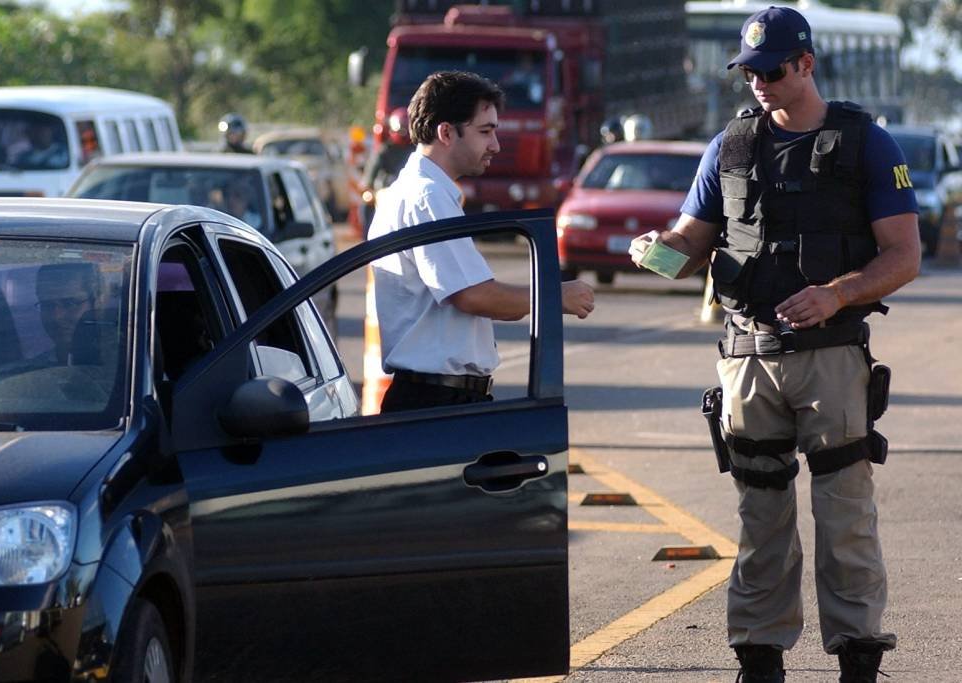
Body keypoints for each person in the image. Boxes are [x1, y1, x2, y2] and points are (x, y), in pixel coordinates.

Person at [628, 7, 919, 682]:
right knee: (760, 511)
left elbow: (903, 256)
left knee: (844, 511)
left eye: (772, 69)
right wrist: (655, 249)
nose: (758, 81)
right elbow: (691, 242)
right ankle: (759, 657)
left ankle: (857, 656)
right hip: (748, 358)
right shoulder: (729, 147)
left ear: (806, 64)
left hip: (832, 355)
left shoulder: (866, 143)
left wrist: (837, 293)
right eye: (749, 70)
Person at [368, 70, 595, 413]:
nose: (495, 145)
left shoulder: (427, 192)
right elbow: (474, 295)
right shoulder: (426, 197)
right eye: (485, 131)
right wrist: (555, 296)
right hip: (435, 402)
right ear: (446, 132)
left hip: (441, 399)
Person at [359, 107, 414, 231]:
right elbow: (369, 176)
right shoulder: (384, 151)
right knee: (366, 206)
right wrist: (369, 190)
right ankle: (367, 239)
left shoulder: (417, 151)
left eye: (406, 129)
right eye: (401, 129)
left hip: (410, 196)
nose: (403, 133)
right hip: (385, 194)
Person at [35, 263, 97, 365]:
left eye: (70, 304)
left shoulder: (127, 365)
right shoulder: (27, 374)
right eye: (47, 305)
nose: (56, 316)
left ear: (97, 303)